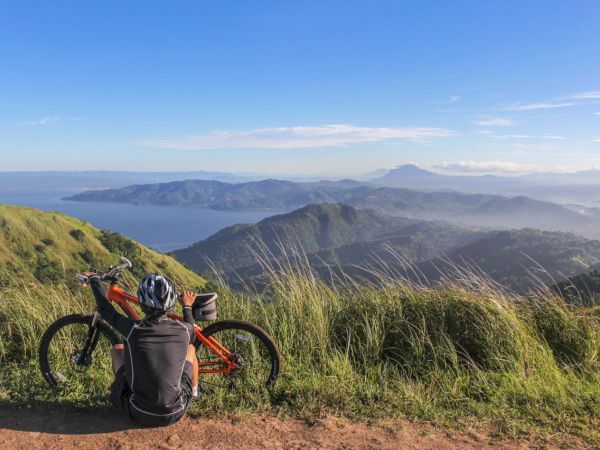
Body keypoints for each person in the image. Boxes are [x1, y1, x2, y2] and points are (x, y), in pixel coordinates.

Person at [83, 271, 199, 427]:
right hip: (175, 412)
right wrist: (186, 305)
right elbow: (191, 330)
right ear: (171, 303)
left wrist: (94, 279)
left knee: (118, 349)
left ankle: (122, 392)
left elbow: (105, 309)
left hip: (138, 412)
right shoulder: (184, 330)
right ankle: (195, 392)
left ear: (142, 303)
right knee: (190, 349)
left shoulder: (133, 329)